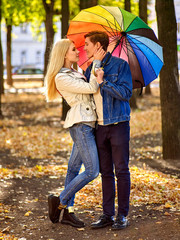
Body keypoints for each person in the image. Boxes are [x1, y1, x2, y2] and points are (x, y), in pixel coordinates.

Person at [44, 39, 105, 228]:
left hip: (87, 122)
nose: (77, 52)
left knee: (73, 169)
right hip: (81, 124)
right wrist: (96, 63)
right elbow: (91, 88)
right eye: (73, 50)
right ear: (63, 54)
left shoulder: (75, 72)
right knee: (93, 170)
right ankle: (60, 200)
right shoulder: (61, 77)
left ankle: (68, 213)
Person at [84, 31, 133, 230]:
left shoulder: (121, 66)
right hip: (99, 127)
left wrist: (104, 82)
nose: (85, 47)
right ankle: (107, 215)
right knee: (105, 172)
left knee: (121, 170)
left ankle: (122, 215)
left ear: (97, 45)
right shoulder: (89, 69)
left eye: (87, 44)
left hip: (118, 125)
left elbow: (126, 93)